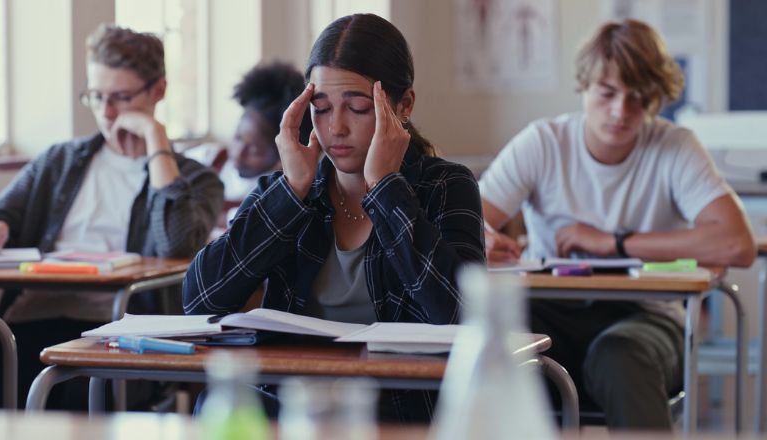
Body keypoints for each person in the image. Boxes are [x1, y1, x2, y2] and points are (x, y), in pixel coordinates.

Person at [183, 13, 485, 420]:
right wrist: (292, 192)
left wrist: (385, 188)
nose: (336, 127)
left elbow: (462, 315)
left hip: (398, 409)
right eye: (321, 108)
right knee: (217, 408)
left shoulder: (446, 186)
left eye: (358, 108)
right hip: (291, 406)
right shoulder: (290, 190)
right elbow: (200, 299)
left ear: (405, 105)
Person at [480, 19, 755, 430]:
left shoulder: (674, 146)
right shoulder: (543, 142)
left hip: (647, 318)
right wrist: (483, 238)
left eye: (638, 99)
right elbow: (467, 223)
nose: (620, 112)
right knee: (501, 340)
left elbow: (737, 245)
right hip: (555, 312)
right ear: (584, 86)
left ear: (655, 100)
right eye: (607, 93)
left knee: (620, 354)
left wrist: (615, 242)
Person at [0, 23, 224, 408]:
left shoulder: (195, 178)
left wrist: (156, 140)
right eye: (96, 96)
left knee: (77, 394)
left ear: (158, 91)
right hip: (33, 319)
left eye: (120, 98)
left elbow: (178, 243)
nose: (105, 113)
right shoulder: (61, 161)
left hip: (122, 328)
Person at [185, 61, 312, 223]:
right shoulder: (209, 158)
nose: (239, 152)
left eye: (254, 150)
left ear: (280, 157)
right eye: (238, 138)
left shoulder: (271, 195)